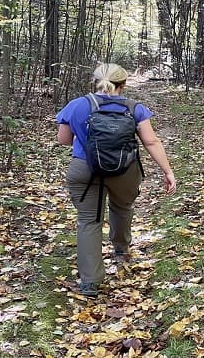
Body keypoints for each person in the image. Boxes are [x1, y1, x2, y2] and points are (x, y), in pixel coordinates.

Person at [56, 63, 176, 297]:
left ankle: (90, 281)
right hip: (125, 168)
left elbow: (63, 140)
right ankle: (121, 249)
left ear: (95, 81)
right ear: (124, 84)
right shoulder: (135, 108)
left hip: (84, 168)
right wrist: (167, 171)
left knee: (89, 221)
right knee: (122, 207)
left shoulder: (76, 105)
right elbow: (151, 142)